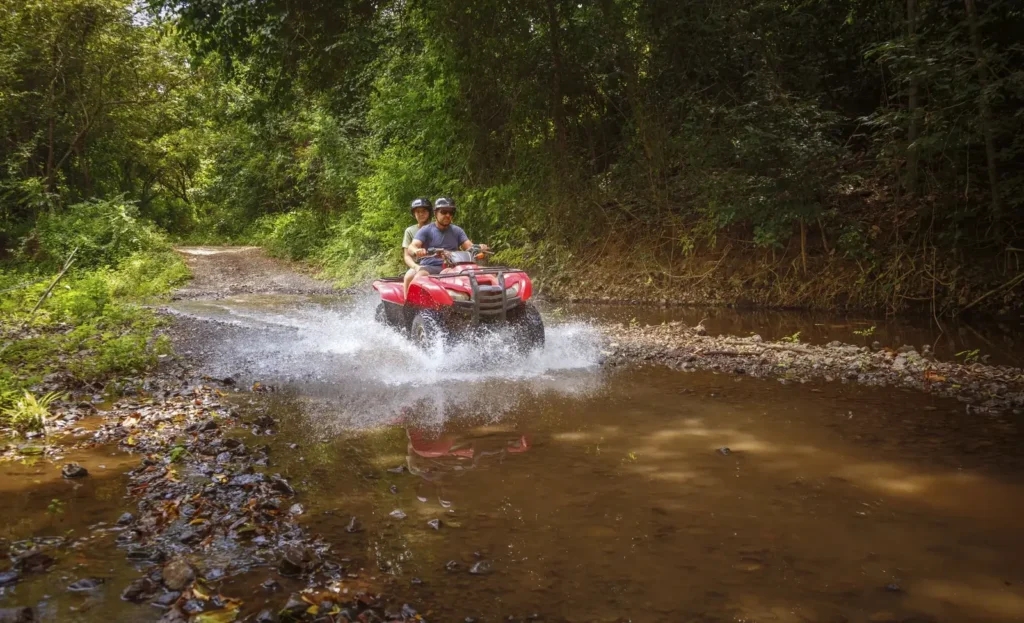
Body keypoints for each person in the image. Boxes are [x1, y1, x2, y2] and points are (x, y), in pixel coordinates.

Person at [406, 197, 488, 289]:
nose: (448, 215)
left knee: (484, 275)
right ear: (435, 213)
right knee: (419, 278)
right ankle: (412, 303)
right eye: (444, 212)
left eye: (451, 212)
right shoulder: (426, 230)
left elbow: (469, 247)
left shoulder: (457, 231)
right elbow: (411, 247)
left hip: (453, 267)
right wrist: (417, 250)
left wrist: (479, 247)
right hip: (430, 267)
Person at [402, 197, 433, 294]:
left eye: (424, 211)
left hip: (439, 263)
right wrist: (415, 267)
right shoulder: (410, 231)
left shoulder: (438, 228)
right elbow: (407, 256)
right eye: (417, 212)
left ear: (429, 212)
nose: (421, 214)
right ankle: (407, 306)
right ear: (414, 214)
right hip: (420, 264)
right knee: (408, 277)